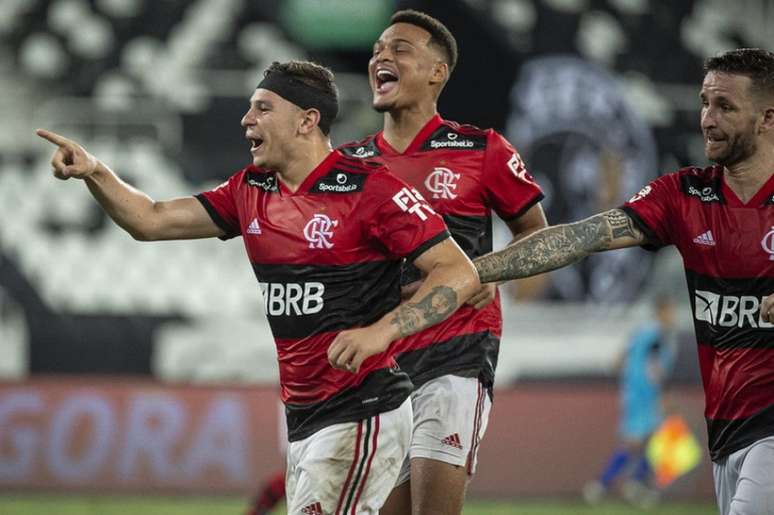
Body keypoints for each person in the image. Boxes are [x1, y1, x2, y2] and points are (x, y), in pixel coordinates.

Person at [36, 60, 481, 515]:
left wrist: (383, 332)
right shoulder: (250, 189)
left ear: (307, 121)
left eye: (263, 108)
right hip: (305, 416)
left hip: (362, 408)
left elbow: (457, 272)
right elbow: (150, 219)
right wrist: (94, 171)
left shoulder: (372, 190)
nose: (248, 120)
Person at [474, 48, 774, 515]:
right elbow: (580, 237)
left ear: (767, 118)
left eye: (726, 107)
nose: (707, 119)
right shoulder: (683, 195)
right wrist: (476, 272)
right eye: (704, 103)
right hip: (726, 430)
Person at [337, 10, 547, 515]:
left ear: (437, 72)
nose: (382, 56)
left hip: (457, 352)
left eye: (401, 48)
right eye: (378, 50)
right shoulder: (348, 165)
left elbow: (535, 233)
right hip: (379, 359)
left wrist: (484, 274)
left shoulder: (482, 150)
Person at [583, 296, 678, 506]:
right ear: (661, 312)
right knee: (638, 442)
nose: (673, 317)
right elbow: (655, 368)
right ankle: (605, 484)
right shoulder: (658, 335)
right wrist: (663, 394)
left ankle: (633, 484)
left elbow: (619, 359)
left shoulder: (642, 333)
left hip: (635, 392)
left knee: (656, 439)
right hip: (643, 395)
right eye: (670, 312)